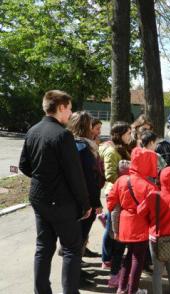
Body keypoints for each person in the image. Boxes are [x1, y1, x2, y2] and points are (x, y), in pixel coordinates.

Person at [19, 90, 92, 294]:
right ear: (60, 108)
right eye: (69, 108)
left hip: (40, 198)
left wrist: (43, 176)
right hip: (61, 203)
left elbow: (25, 166)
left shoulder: (33, 130)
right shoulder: (62, 135)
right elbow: (75, 175)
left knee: (44, 246)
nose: (70, 113)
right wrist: (85, 204)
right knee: (71, 249)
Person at [107, 148, 159, 294]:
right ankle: (132, 290)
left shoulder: (122, 180)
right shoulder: (150, 187)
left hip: (124, 224)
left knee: (129, 255)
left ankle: (122, 288)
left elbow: (111, 203)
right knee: (138, 259)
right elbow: (154, 212)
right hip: (140, 225)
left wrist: (115, 228)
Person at [137, 166, 170, 294]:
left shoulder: (153, 196)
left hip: (155, 237)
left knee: (157, 271)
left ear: (161, 179)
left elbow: (140, 212)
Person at [67, 111, 103, 286]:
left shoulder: (69, 144)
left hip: (70, 201)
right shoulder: (83, 148)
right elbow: (90, 179)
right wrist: (95, 203)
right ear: (85, 127)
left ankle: (77, 271)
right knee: (78, 240)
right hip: (83, 203)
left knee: (77, 240)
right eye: (91, 125)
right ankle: (76, 278)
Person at [99, 121, 131, 288]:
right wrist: (126, 182)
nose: (130, 136)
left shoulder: (125, 149)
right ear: (119, 135)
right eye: (128, 133)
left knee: (116, 233)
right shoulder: (112, 152)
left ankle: (113, 265)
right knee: (115, 234)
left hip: (124, 195)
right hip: (116, 196)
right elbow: (110, 175)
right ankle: (111, 268)